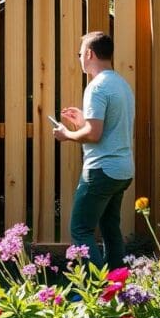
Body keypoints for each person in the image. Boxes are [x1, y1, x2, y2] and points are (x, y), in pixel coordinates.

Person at [53, 32, 134, 269]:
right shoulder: (121, 84)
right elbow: (104, 128)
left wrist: (66, 134)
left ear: (89, 53)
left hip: (101, 170)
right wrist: (82, 122)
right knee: (110, 229)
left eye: (80, 54)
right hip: (123, 170)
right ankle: (119, 289)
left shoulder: (96, 87)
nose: (79, 58)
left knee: (80, 230)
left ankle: (96, 292)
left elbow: (95, 134)